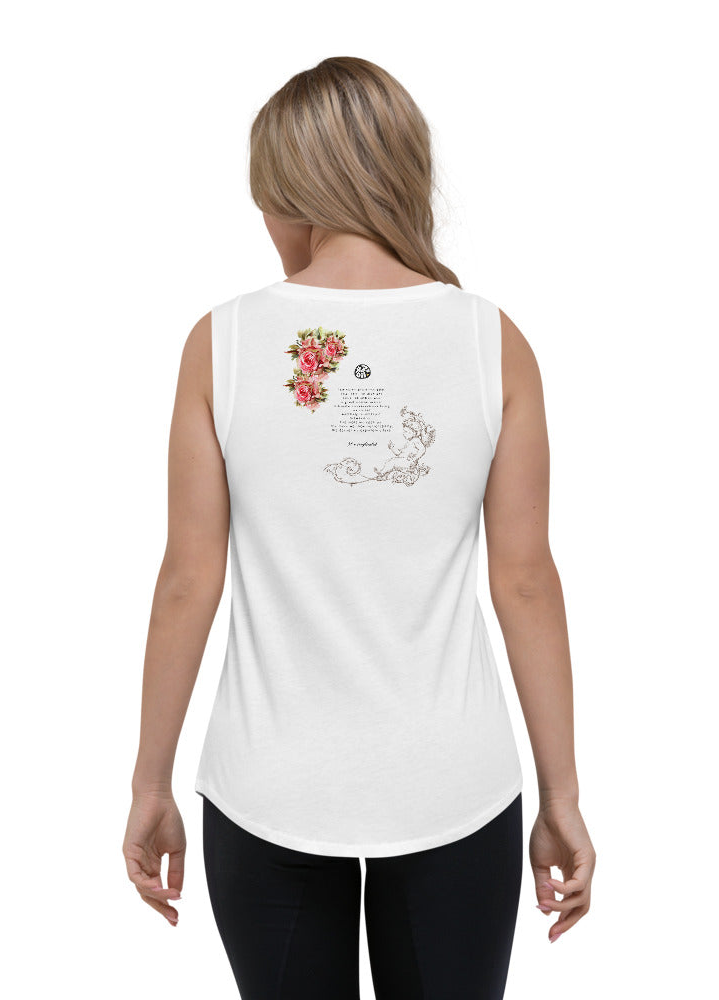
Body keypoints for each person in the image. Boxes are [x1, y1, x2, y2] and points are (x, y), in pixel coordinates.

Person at [122, 56, 596, 999]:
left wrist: (149, 783)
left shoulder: (224, 341)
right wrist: (561, 796)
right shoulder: (489, 339)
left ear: (291, 191)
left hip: (267, 788)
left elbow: (187, 580)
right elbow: (524, 581)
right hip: (456, 785)